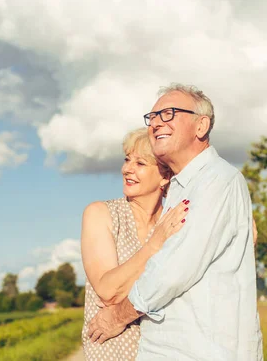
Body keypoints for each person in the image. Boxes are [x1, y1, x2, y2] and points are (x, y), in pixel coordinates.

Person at [87, 84, 264, 360]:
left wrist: (117, 317)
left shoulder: (216, 181)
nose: (156, 122)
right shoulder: (180, 189)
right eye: (153, 116)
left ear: (201, 126)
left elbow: (170, 272)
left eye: (168, 114)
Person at [80, 127, 191, 360]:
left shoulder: (173, 220)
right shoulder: (102, 214)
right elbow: (109, 292)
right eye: (127, 160)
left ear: (165, 176)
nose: (126, 169)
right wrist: (154, 245)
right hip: (111, 352)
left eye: (140, 163)